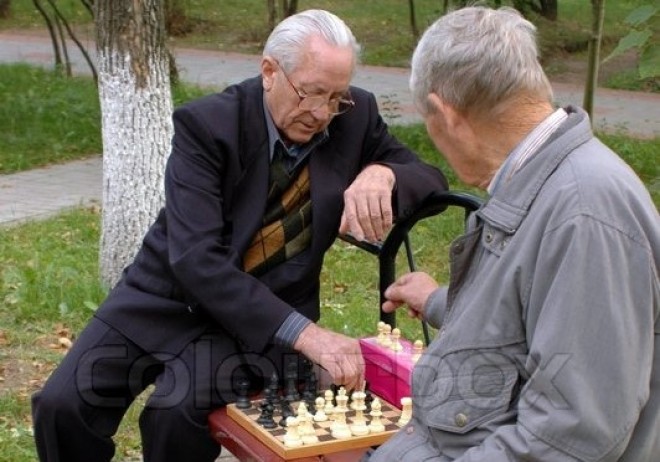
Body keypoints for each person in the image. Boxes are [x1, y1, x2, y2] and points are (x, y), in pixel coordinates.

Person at [31, 9, 447, 462]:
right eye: (311, 93)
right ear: (270, 71)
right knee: (61, 407)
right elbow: (195, 259)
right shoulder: (208, 125)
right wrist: (309, 336)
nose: (322, 113)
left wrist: (384, 173)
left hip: (259, 320)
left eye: (335, 97)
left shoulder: (355, 115)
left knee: (174, 414)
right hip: (165, 297)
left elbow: (428, 175)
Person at [370, 6, 659, 462]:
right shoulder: (539, 180)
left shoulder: (584, 211)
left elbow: (570, 436)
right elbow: (533, 312)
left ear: (445, 115)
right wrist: (441, 301)